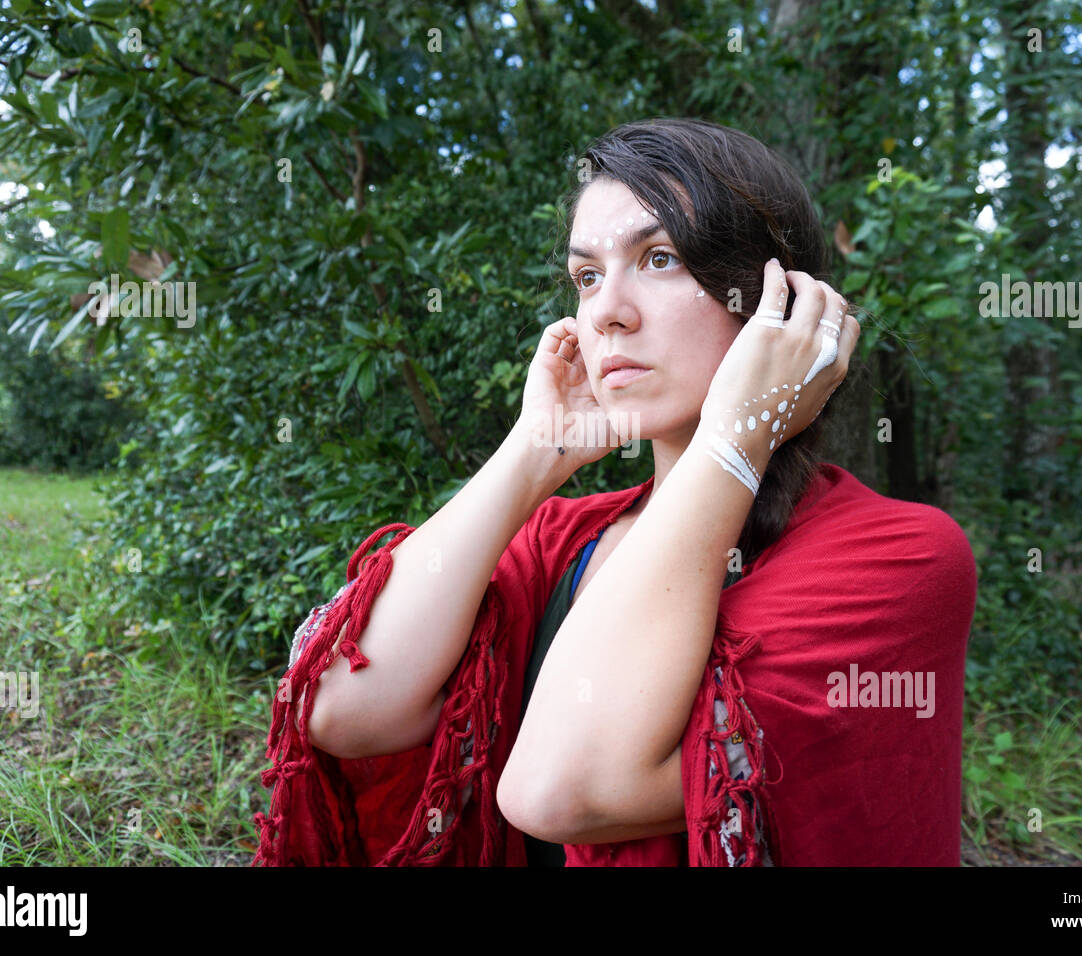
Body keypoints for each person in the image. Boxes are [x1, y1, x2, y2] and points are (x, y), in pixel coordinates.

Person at [252, 117, 977, 867]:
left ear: (779, 303)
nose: (605, 311)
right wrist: (535, 454)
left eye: (658, 258)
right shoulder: (562, 539)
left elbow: (557, 790)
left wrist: (740, 432)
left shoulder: (902, 557)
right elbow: (339, 705)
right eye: (587, 276)